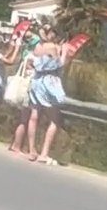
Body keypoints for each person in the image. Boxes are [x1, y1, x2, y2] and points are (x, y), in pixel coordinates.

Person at [26, 25, 72, 164]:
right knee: (55, 119)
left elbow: (31, 62)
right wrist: (64, 52)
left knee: (34, 115)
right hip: (49, 82)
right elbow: (59, 64)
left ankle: (31, 150)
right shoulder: (53, 47)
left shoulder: (39, 46)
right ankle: (44, 153)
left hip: (36, 80)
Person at [8, 28, 41, 155]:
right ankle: (17, 145)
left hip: (26, 88)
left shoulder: (26, 55)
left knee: (24, 118)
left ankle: (17, 144)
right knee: (24, 118)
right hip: (27, 88)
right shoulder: (31, 57)